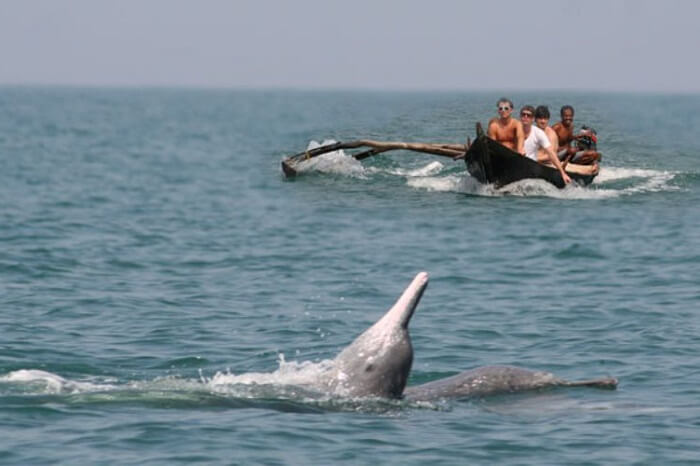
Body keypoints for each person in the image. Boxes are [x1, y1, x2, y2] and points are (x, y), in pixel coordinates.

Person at [519, 105, 571, 184]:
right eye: (540, 118)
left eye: (545, 119)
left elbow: (550, 155)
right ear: (535, 120)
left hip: (550, 160)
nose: (543, 121)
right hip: (534, 160)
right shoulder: (530, 130)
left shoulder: (550, 134)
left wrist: (562, 173)